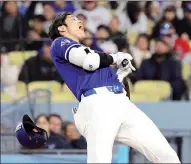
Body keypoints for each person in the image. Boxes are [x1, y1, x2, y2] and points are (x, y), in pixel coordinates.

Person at [48, 12, 180, 163]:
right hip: (97, 104)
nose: (79, 21)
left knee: (167, 155)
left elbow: (101, 72)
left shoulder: (94, 52)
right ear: (62, 29)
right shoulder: (60, 43)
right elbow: (89, 62)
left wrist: (121, 74)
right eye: (73, 19)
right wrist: (116, 57)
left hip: (120, 102)